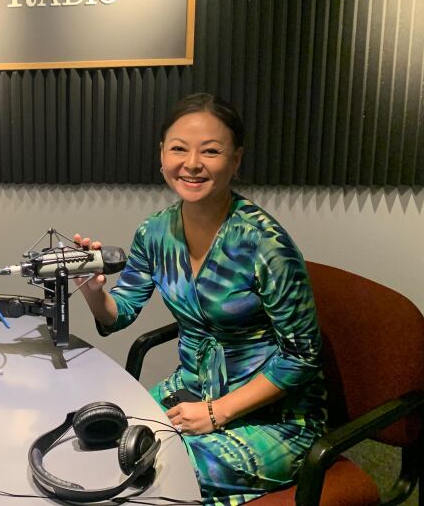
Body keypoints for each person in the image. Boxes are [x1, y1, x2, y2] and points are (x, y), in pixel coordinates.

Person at [77, 93, 325, 505]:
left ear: (236, 159)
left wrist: (219, 412)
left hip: (274, 417)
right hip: (191, 392)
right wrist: (93, 290)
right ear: (161, 154)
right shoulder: (154, 232)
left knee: (153, 470)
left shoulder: (264, 243)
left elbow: (303, 356)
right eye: (179, 149)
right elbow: (119, 315)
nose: (191, 164)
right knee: (101, 438)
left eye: (210, 151)